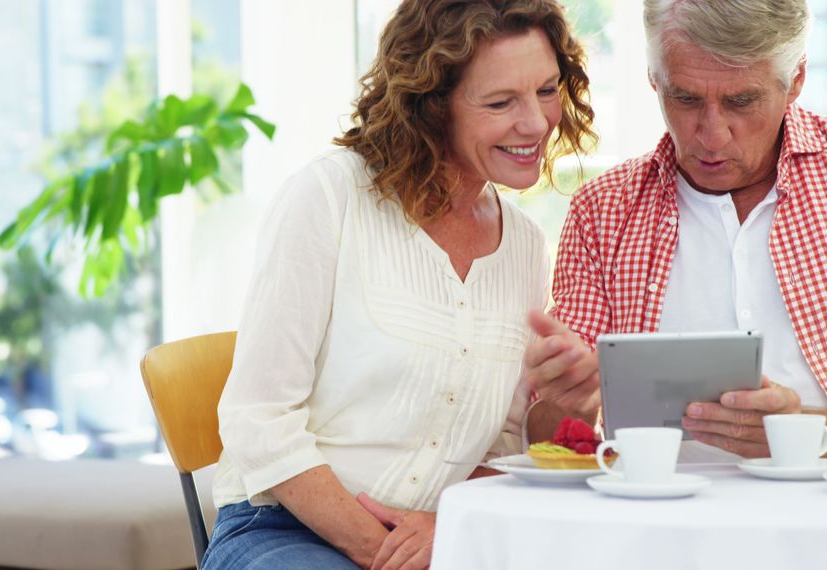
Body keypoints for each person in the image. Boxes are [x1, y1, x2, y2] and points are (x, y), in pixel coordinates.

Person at [202, 1, 597, 569]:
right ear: (432, 106)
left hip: (433, 540)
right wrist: (382, 550)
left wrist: (449, 525)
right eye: (500, 102)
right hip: (285, 529)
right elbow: (257, 418)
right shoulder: (328, 199)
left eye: (545, 89)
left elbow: (498, 444)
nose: (536, 122)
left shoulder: (525, 246)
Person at [524, 0, 827, 462]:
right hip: (657, 524)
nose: (713, 134)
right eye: (685, 99)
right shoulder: (602, 214)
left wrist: (796, 433)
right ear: (653, 78)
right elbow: (547, 434)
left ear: (796, 80)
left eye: (742, 101)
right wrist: (572, 404)